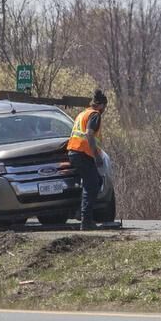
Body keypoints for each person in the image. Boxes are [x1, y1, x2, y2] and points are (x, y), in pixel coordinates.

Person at [67, 89, 115, 230]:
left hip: (74, 152)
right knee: (92, 184)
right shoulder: (95, 115)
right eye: (104, 107)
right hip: (83, 153)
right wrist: (96, 156)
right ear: (101, 105)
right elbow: (89, 134)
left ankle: (80, 212)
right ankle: (86, 221)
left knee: (96, 181)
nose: (104, 110)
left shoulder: (83, 113)